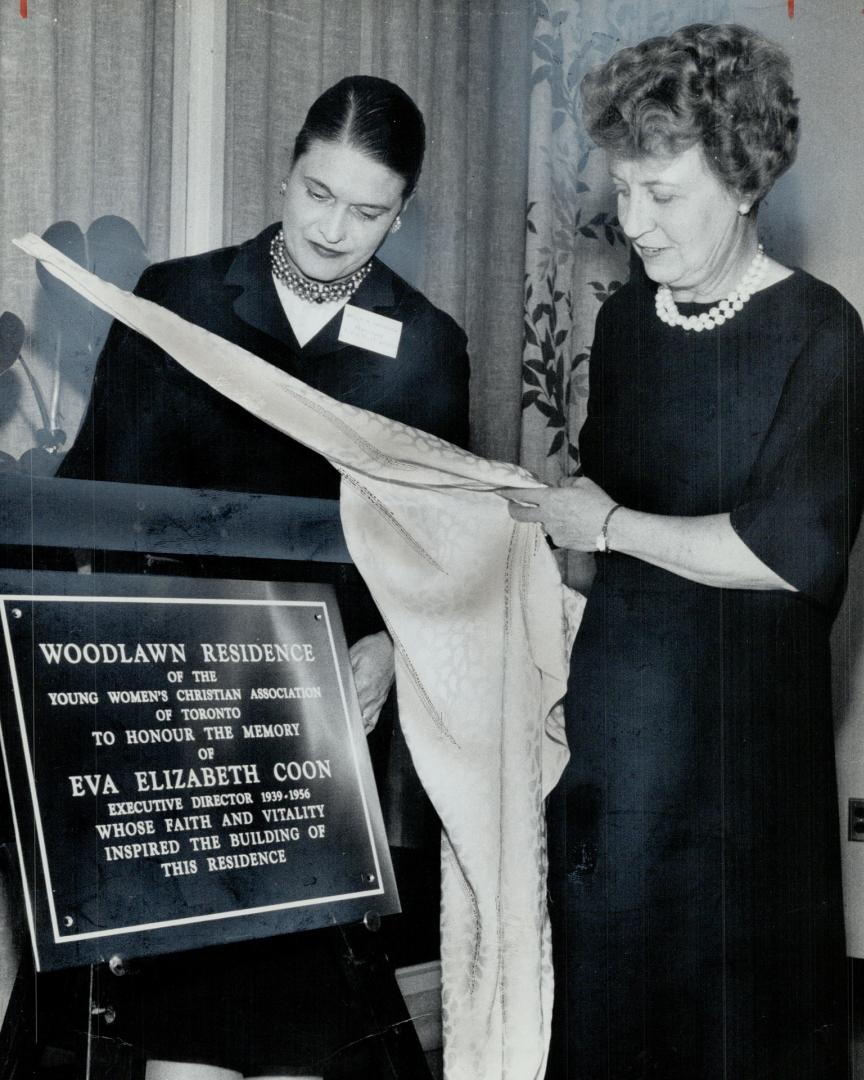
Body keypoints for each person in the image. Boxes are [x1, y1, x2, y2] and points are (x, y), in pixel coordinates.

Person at [57, 75, 469, 1080]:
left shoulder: (425, 345)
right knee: (183, 1033)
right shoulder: (179, 299)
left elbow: (443, 549)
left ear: (401, 214)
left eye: (366, 211)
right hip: (183, 714)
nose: (334, 229)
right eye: (316, 193)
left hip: (323, 729)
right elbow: (95, 491)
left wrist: (388, 646)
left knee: (298, 1028)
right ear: (284, 172)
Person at [501, 23, 864, 1080]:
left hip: (741, 770)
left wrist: (603, 525)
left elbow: (786, 551)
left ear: (745, 181)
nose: (634, 223)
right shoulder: (621, 328)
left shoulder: (819, 334)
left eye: (662, 196)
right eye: (621, 193)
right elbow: (599, 538)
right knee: (605, 1018)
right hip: (622, 751)